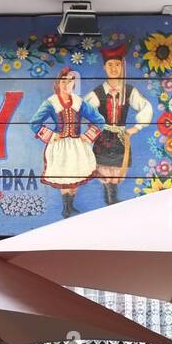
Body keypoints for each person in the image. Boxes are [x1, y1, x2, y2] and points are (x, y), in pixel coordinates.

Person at [29, 67, 104, 218]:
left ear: (74, 84)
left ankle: (70, 207)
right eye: (64, 80)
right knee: (64, 177)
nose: (66, 84)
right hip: (60, 147)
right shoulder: (51, 103)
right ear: (58, 82)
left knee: (75, 176)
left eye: (70, 81)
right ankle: (66, 208)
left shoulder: (78, 102)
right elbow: (34, 123)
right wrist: (51, 135)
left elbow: (99, 120)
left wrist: (87, 136)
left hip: (76, 146)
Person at [86, 40, 153, 204]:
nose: (114, 68)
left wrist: (135, 128)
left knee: (116, 172)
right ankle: (109, 201)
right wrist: (94, 126)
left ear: (122, 66)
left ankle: (112, 201)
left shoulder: (129, 91)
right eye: (110, 65)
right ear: (104, 67)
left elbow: (146, 107)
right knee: (104, 171)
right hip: (103, 138)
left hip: (121, 139)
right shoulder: (98, 92)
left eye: (117, 64)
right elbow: (84, 109)